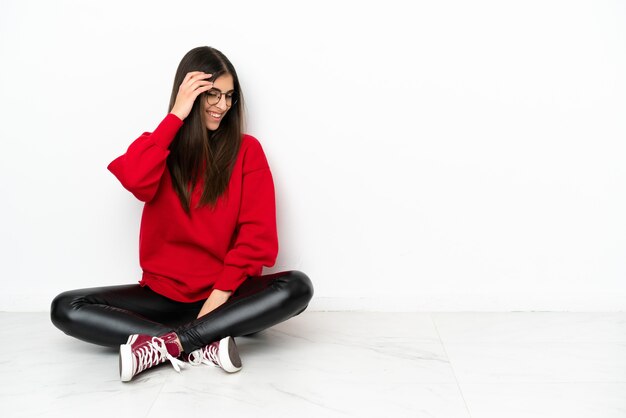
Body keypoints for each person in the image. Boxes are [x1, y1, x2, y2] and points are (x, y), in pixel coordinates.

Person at [50, 46, 314, 382]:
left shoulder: (247, 151)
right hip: (161, 298)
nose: (222, 105)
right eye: (212, 94)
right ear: (188, 93)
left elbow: (256, 237)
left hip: (224, 297)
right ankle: (204, 343)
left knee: (297, 287)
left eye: (229, 96)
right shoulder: (160, 148)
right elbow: (134, 179)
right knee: (65, 307)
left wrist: (214, 305)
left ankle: (174, 341)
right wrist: (175, 115)